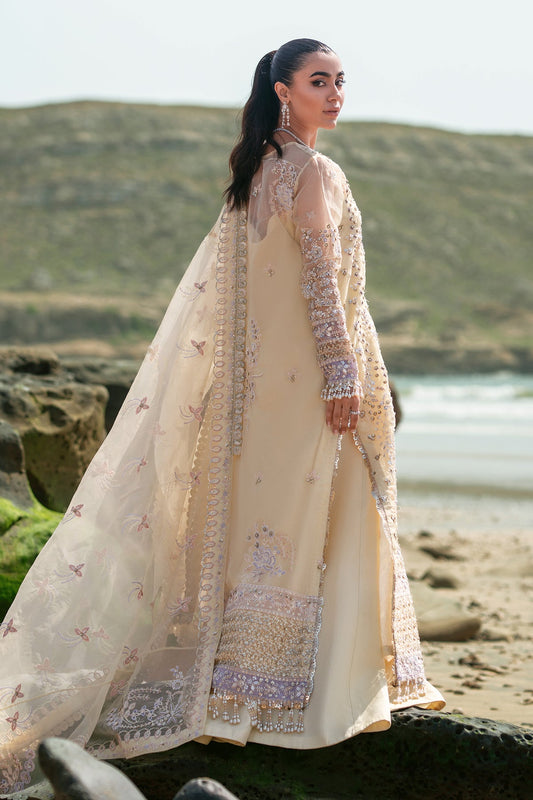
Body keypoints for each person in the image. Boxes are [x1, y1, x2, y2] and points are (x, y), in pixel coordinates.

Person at [0, 38, 444, 795]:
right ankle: (304, 696)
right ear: (283, 90)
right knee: (327, 510)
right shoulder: (312, 172)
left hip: (261, 387)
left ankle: (239, 687)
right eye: (319, 81)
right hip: (308, 380)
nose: (335, 92)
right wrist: (343, 375)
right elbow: (319, 281)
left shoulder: (255, 172)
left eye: (340, 80)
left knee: (271, 518)